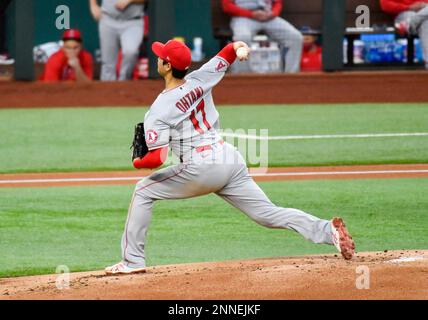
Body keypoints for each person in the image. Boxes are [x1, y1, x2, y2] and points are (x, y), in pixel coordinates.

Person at [104, 39, 355, 274]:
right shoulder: (201, 77)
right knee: (267, 214)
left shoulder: (159, 108)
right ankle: (327, 229)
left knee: (143, 190)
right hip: (229, 159)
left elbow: (156, 159)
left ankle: (132, 261)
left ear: (167, 66)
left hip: (201, 168)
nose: (157, 59)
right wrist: (241, 49)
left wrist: (137, 161)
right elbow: (230, 50)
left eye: (160, 57)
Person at [222, 0, 303, 73]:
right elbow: (227, 6)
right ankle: (243, 78)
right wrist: (251, 14)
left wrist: (273, 13)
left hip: (268, 16)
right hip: (244, 16)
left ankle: (291, 76)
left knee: (295, 37)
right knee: (242, 38)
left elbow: (277, 2)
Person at [89, 0, 145, 80]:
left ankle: (124, 82)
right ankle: (107, 90)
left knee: (130, 52)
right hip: (108, 18)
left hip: (133, 21)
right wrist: (93, 5)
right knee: (108, 63)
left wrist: (129, 0)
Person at [380, 0, 428, 68]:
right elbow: (385, 5)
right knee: (423, 21)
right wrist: (409, 7)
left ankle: (409, 23)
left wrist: (423, 6)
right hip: (405, 13)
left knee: (425, 22)